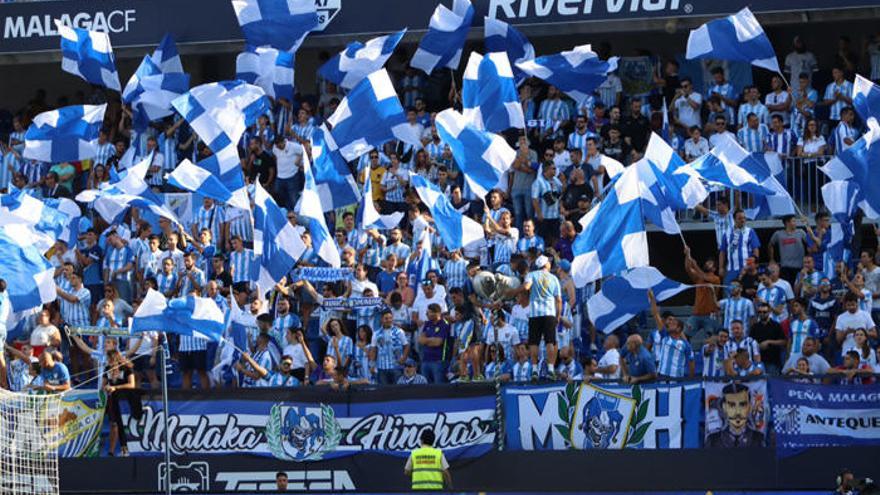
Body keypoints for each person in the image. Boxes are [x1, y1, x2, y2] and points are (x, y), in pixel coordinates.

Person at [515, 255, 562, 380]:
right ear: (546, 265)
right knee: (550, 341)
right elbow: (558, 300)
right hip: (549, 313)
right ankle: (551, 369)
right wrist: (558, 315)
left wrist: (513, 291)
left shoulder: (532, 275)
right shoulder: (554, 278)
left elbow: (526, 287)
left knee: (534, 342)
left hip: (535, 313)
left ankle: (535, 369)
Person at [705, 382, 765, 448]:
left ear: (749, 407)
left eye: (742, 405)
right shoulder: (712, 440)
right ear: (724, 407)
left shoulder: (759, 439)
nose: (737, 412)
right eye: (732, 405)